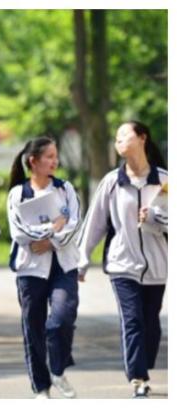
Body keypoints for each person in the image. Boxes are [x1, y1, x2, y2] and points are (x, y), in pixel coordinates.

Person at [77, 121, 167, 398]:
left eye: (123, 136)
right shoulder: (112, 182)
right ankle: (138, 378)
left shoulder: (166, 180)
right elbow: (95, 224)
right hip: (122, 264)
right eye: (115, 139)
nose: (118, 141)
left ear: (142, 138)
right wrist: (82, 259)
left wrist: (155, 218)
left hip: (157, 266)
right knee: (133, 321)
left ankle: (143, 366)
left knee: (151, 324)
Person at [7, 137, 82, 399]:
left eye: (55, 156)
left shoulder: (65, 189)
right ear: (33, 161)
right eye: (49, 156)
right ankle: (41, 387)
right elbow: (20, 232)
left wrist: (50, 241)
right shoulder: (18, 194)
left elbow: (74, 224)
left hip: (64, 266)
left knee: (61, 318)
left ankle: (58, 369)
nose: (55, 161)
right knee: (33, 327)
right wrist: (53, 227)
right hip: (30, 269)